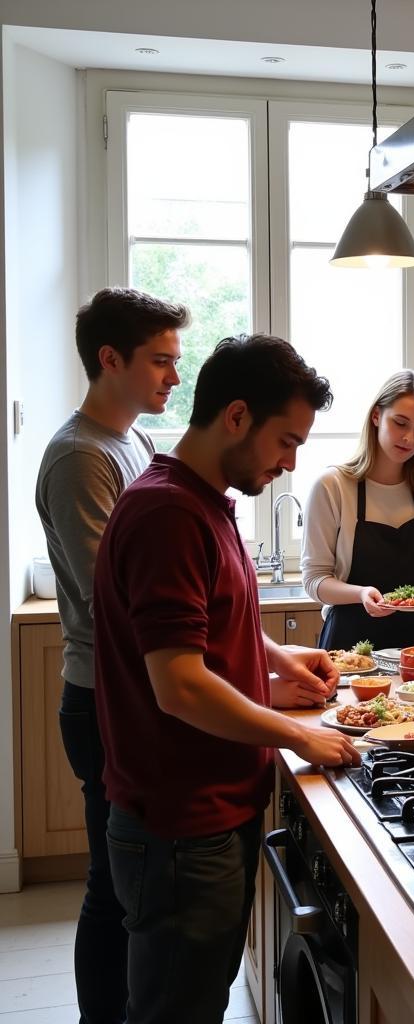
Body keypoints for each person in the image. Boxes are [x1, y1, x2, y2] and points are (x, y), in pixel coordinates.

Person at [92, 334, 360, 1024]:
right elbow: (179, 683)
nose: (291, 462)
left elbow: (213, 619)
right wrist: (299, 738)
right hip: (181, 826)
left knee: (186, 1001)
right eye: (286, 440)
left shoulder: (204, 500)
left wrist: (277, 657)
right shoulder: (168, 514)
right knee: (175, 1010)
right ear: (236, 416)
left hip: (206, 813)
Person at [35, 286, 188, 1024]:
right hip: (99, 699)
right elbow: (117, 602)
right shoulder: (78, 457)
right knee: (110, 886)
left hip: (131, 694)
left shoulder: (135, 442)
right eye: (160, 361)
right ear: (109, 359)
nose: (173, 377)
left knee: (132, 882)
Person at [301, 369, 414, 651]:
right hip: (354, 646)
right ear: (376, 416)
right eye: (400, 423)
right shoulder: (333, 486)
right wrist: (362, 594)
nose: (409, 438)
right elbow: (315, 579)